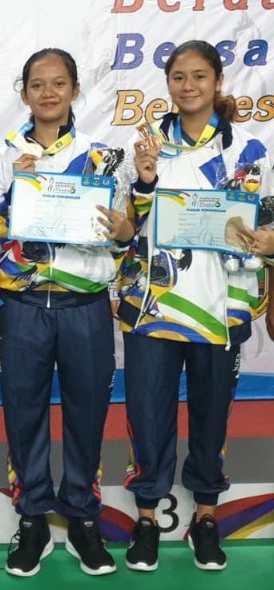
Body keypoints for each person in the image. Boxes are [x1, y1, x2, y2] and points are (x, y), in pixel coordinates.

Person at [119, 40, 274, 572]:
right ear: (168, 83)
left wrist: (268, 240)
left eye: (199, 76)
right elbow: (124, 228)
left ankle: (205, 518)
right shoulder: (144, 144)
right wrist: (144, 181)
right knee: (147, 415)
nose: (188, 86)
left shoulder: (250, 151)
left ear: (217, 81)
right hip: (154, 306)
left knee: (211, 418)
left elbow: (270, 221)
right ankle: (147, 518)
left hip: (221, 308)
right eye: (179, 77)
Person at [0, 48, 134, 577]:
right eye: (38, 84)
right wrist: (10, 196)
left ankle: (83, 516)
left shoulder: (103, 158)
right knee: (24, 414)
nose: (48, 93)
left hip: (84, 305)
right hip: (22, 306)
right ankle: (33, 518)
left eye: (59, 83)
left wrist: (123, 231)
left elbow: (122, 235)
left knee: (87, 413)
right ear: (23, 93)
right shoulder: (1, 160)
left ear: (74, 90)